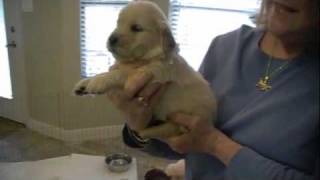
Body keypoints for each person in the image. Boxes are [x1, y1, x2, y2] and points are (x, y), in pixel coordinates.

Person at [107, 0, 319, 179]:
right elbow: (182, 142)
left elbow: (203, 140)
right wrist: (139, 128)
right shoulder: (225, 46)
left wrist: (214, 143)